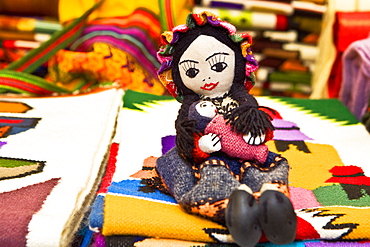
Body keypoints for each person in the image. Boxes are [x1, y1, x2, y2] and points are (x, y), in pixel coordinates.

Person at [154, 11, 296, 247]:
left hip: (247, 152)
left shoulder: (244, 102)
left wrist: (255, 131)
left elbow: (259, 120)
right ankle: (233, 207)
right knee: (209, 173)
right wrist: (199, 145)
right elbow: (184, 136)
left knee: (263, 167)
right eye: (191, 71)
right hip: (209, 157)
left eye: (218, 65)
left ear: (238, 65)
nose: (207, 78)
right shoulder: (190, 109)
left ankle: (273, 202)